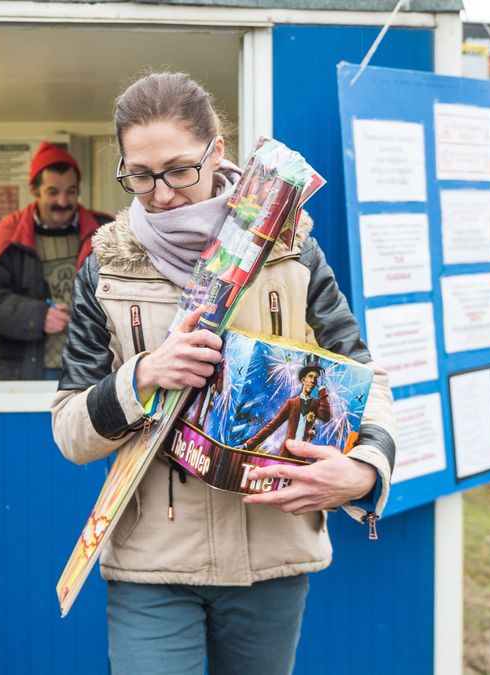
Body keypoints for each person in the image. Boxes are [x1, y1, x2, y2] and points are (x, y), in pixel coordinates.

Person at [50, 73, 397, 674]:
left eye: (179, 170)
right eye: (140, 175)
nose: (160, 195)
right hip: (151, 565)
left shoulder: (292, 249)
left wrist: (366, 469)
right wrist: (145, 376)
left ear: (217, 152)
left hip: (273, 553)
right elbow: (70, 429)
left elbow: (364, 376)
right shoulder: (105, 265)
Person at [0, 141, 113, 380]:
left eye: (71, 191)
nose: (63, 201)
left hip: (92, 368)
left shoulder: (105, 231)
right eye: (53, 192)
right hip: (29, 371)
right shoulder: (6, 234)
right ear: (35, 191)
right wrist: (35, 316)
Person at [243, 364, 332, 458]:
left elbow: (325, 416)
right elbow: (271, 426)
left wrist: (322, 389)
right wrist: (248, 445)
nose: (312, 381)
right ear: (303, 380)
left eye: (315, 378)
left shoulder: (315, 404)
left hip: (302, 455)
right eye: (310, 376)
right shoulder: (292, 403)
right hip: (286, 453)